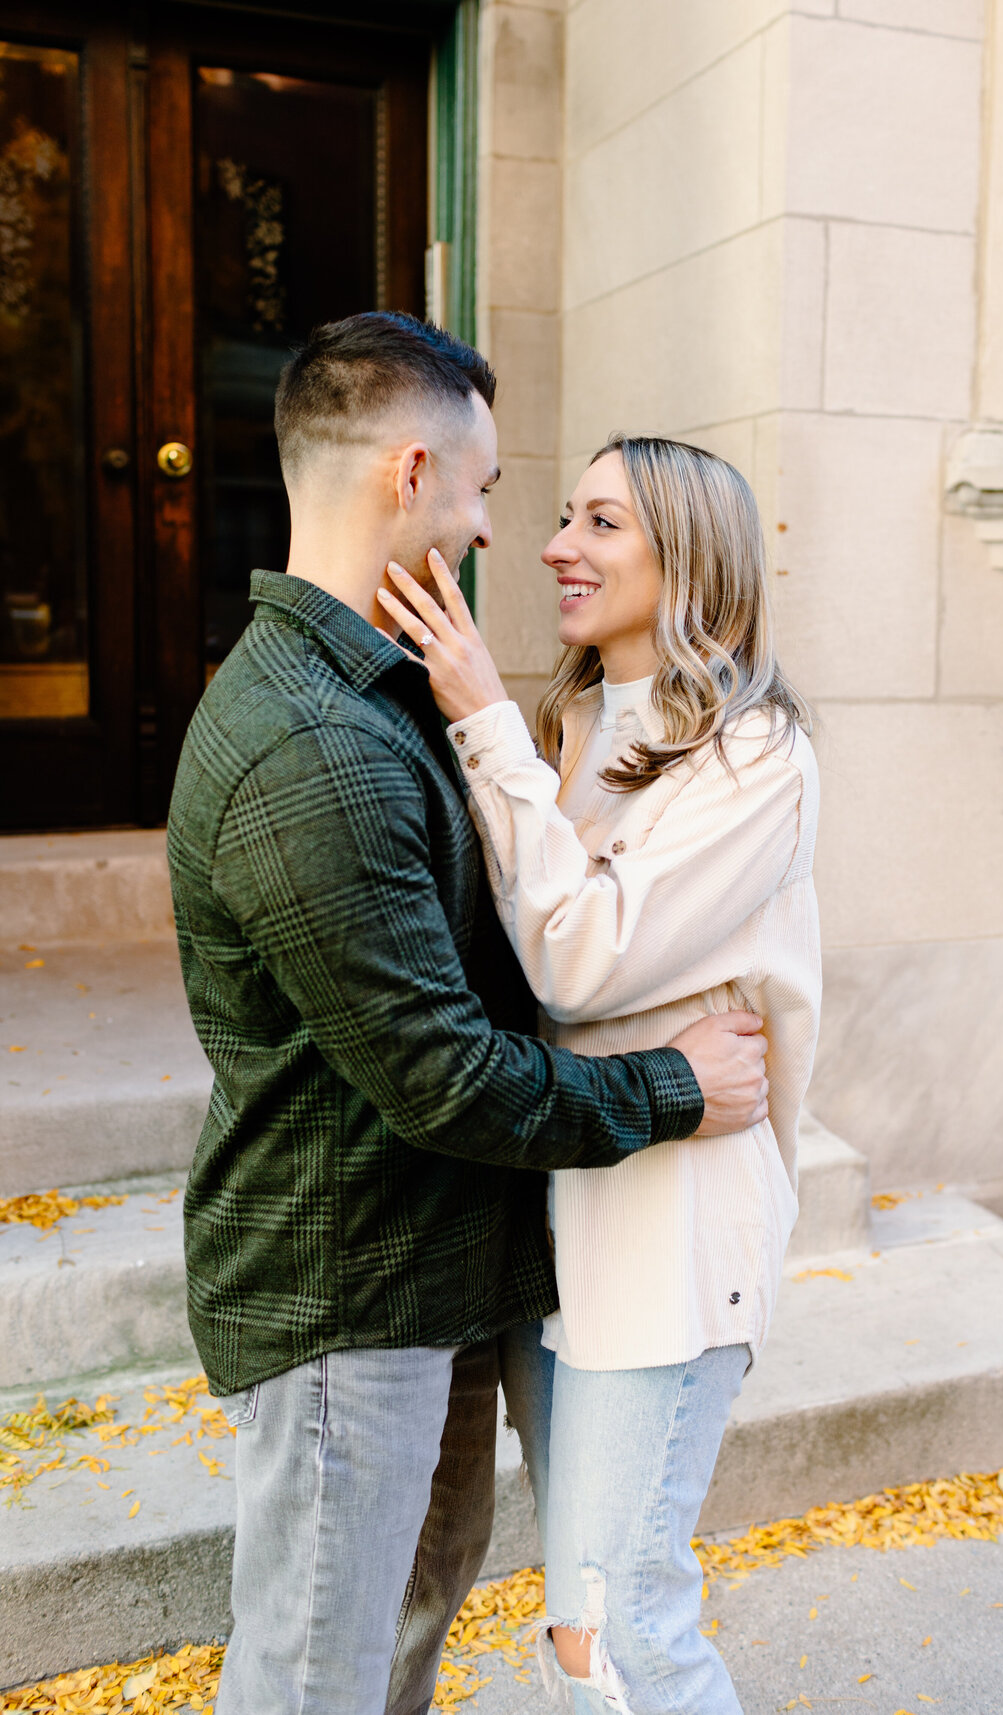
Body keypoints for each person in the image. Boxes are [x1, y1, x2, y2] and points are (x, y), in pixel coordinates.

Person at [166, 316, 772, 1715]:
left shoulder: (380, 687)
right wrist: (673, 1086)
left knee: (395, 1637)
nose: (503, 529)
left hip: (429, 1275)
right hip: (346, 1291)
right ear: (414, 469)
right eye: (492, 489)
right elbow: (447, 1076)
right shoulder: (311, 743)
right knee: (315, 1670)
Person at [377, 431, 821, 1715]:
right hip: (552, 1215)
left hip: (671, 1233)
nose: (558, 545)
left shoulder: (756, 756)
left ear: (688, 558)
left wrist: (483, 721)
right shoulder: (574, 724)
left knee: (619, 1626)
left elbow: (577, 956)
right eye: (564, 514)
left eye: (601, 522)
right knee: (579, 1614)